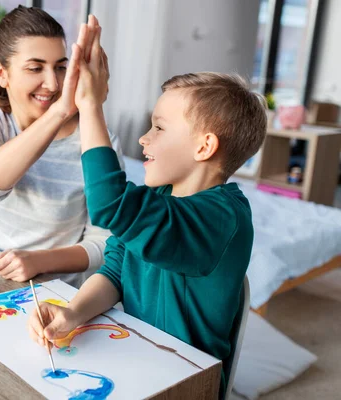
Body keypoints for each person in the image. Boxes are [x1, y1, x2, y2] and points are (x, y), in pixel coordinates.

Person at [28, 19, 267, 399]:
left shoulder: (223, 217)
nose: (143, 138)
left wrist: (90, 106)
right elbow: (116, 271)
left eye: (159, 128)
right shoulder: (158, 198)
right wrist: (72, 313)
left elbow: (109, 205)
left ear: (204, 147)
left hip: (187, 382)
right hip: (135, 355)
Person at [0, 7, 123, 287]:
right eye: (35, 68)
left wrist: (38, 261)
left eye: (61, 67)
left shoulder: (98, 140)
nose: (52, 83)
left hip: (58, 290)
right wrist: (60, 112)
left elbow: (103, 243)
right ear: (2, 73)